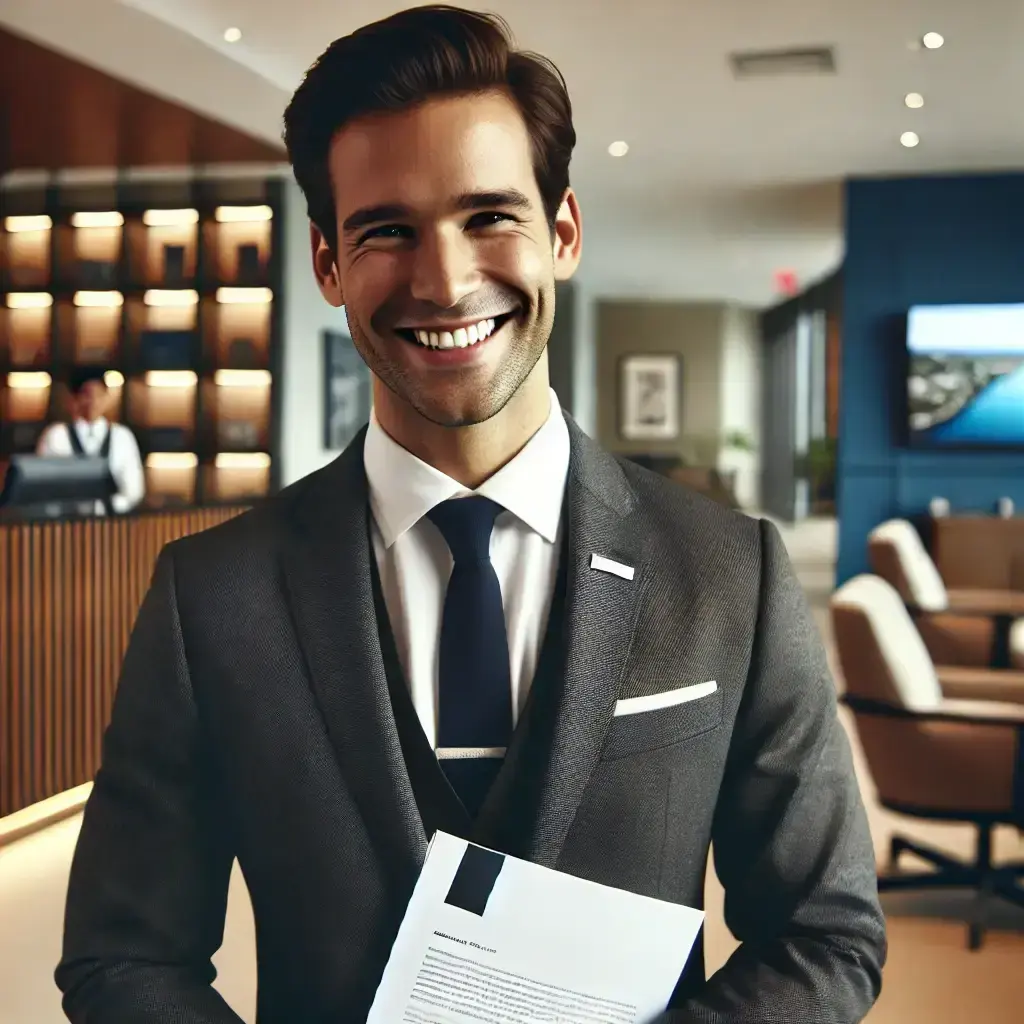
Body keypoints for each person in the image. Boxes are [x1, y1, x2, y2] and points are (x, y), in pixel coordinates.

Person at [56, 6, 886, 1022]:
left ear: (563, 233)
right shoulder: (212, 596)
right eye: (386, 230)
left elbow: (823, 933)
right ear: (326, 264)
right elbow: (123, 957)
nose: (444, 280)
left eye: (488, 215)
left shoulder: (730, 572)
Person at [36, 366, 145, 515]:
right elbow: (44, 485)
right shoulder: (55, 436)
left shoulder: (122, 436)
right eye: (87, 394)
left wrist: (106, 508)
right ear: (74, 398)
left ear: (107, 397)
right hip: (65, 523)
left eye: (99, 394)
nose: (93, 401)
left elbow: (134, 489)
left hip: (112, 523)